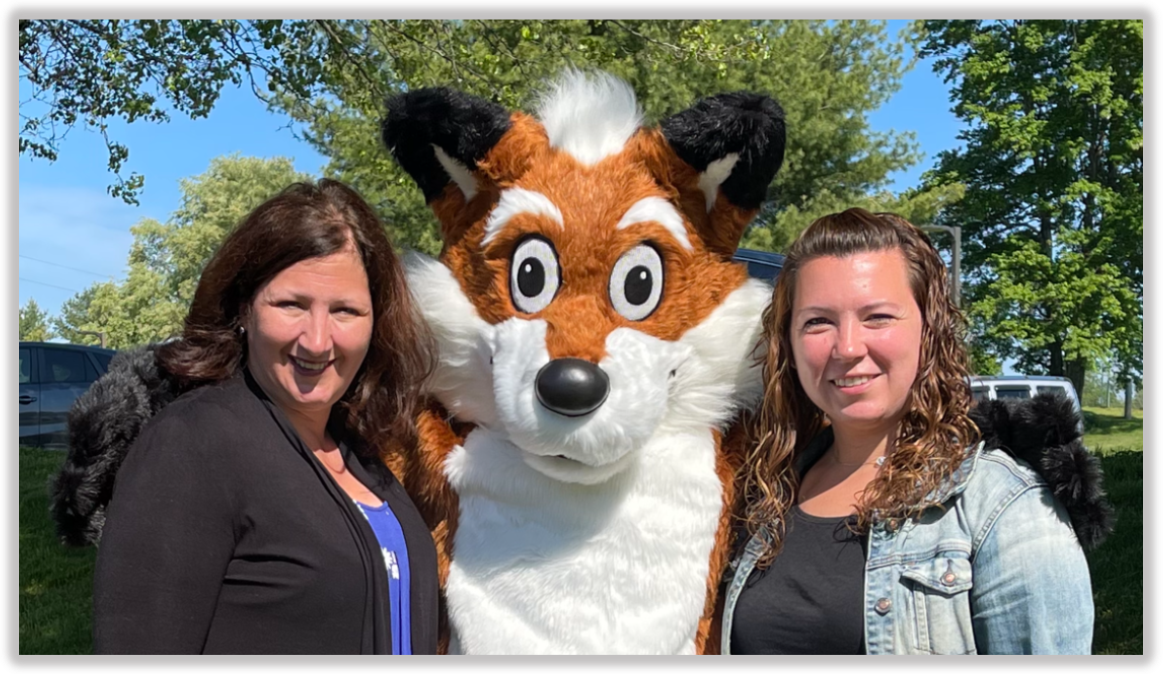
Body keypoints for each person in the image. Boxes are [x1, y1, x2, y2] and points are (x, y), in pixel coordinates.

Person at [718, 208, 1097, 655]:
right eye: (818, 321)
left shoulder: (1003, 507)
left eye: (877, 317)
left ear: (929, 330)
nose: (848, 347)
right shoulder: (763, 492)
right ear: (789, 342)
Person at [88, 179, 440, 654]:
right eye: (291, 305)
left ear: (376, 321)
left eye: (345, 311)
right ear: (243, 309)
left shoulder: (359, 451)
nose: (317, 340)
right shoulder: (193, 445)